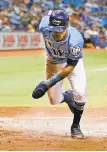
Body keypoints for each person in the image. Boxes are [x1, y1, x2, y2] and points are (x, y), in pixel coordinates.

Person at [32, 9, 86, 139]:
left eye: (60, 29)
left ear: (67, 26)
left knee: (80, 93)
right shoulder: (44, 26)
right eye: (54, 29)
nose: (56, 33)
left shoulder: (75, 40)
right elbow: (48, 13)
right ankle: (67, 97)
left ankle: (75, 126)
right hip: (52, 63)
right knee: (54, 100)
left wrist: (47, 83)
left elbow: (70, 67)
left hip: (71, 65)